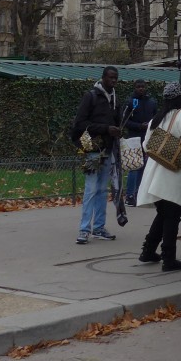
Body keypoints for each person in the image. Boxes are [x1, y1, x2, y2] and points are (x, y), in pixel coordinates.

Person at [138, 82, 181, 271]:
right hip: (172, 175)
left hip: (154, 174)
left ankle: (148, 251)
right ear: (179, 98)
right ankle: (169, 259)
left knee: (163, 214)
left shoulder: (157, 118)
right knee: (172, 217)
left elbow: (146, 146)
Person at [71, 66, 122, 244]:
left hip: (107, 149)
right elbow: (80, 123)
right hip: (92, 149)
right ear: (103, 78)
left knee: (102, 190)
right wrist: (106, 129)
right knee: (91, 189)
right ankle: (84, 229)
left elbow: (116, 121)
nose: (113, 81)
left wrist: (118, 130)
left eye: (116, 78)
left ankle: (99, 227)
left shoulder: (114, 97)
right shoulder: (91, 96)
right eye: (110, 77)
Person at [122, 80, 157, 206]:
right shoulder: (130, 102)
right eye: (138, 87)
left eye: (143, 87)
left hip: (148, 139)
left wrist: (150, 126)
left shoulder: (152, 102)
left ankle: (139, 194)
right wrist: (139, 126)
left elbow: (156, 119)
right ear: (134, 88)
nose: (141, 89)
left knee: (145, 167)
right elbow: (125, 121)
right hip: (133, 138)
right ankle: (130, 196)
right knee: (134, 167)